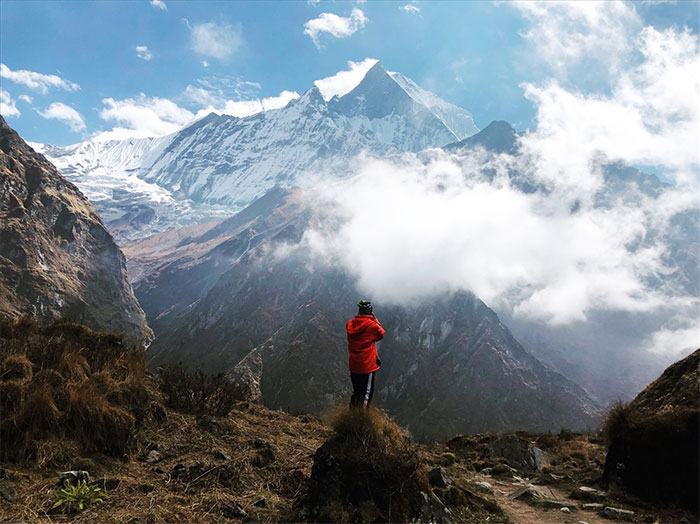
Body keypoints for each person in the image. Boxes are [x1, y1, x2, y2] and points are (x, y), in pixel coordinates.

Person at [346, 299, 385, 408]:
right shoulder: (372, 325)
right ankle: (360, 421)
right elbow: (381, 333)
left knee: (357, 392)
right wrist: (374, 318)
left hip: (354, 365)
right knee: (366, 395)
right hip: (367, 366)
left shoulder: (350, 324)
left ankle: (351, 415)